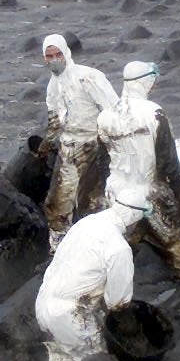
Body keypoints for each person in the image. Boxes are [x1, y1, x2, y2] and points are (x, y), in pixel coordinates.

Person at [96, 61, 180, 310]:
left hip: (118, 197)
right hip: (151, 195)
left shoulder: (105, 117)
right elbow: (169, 164)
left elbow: (101, 160)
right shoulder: (154, 113)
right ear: (146, 81)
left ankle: (101, 308)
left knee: (112, 254)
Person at [33, 185, 148, 361]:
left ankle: (45, 358)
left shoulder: (87, 222)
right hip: (70, 316)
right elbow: (117, 303)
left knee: (69, 348)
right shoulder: (118, 248)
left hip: (44, 305)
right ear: (135, 220)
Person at [39, 33, 119, 249]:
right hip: (68, 148)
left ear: (66, 53)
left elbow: (113, 109)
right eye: (49, 56)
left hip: (94, 144)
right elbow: (55, 120)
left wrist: (112, 145)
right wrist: (46, 143)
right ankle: (60, 246)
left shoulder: (88, 77)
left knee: (93, 201)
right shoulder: (53, 86)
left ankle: (100, 245)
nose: (54, 59)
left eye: (58, 54)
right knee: (57, 202)